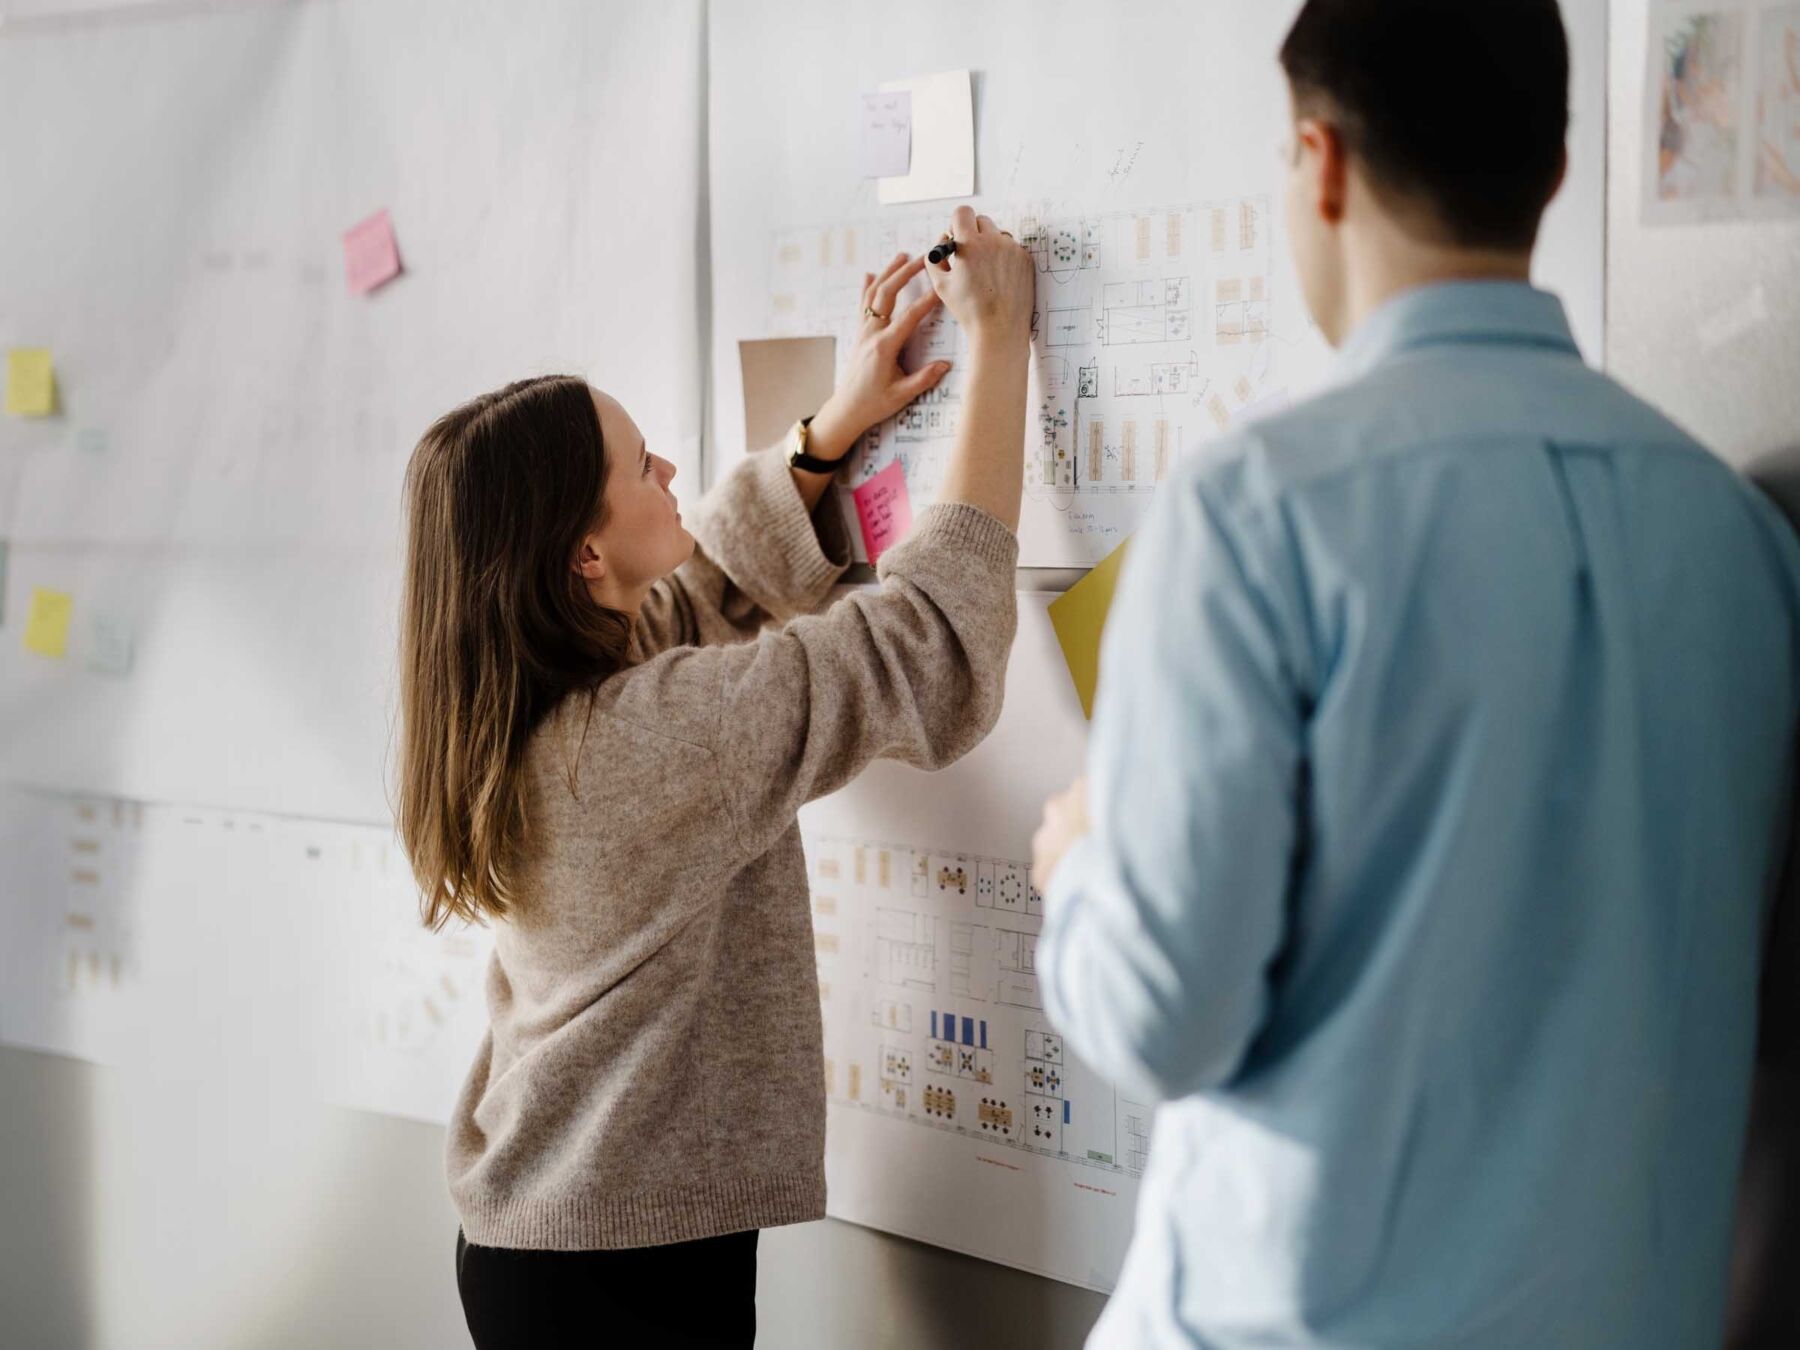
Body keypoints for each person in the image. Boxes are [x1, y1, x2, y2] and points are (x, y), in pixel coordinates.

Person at [1030, 2, 1800, 1345]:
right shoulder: (1740, 536)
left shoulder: (1257, 506)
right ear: (1555, 173)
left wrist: (1079, 863)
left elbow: (1162, 1019)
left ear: (1319, 163)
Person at [395, 206, 1036, 1349]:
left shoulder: (532, 702)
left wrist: (836, 423)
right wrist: (997, 350)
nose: (672, 468)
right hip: (614, 1278)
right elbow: (929, 646)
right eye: (641, 466)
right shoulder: (648, 742)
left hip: (559, 1242)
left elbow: (702, 594)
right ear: (585, 558)